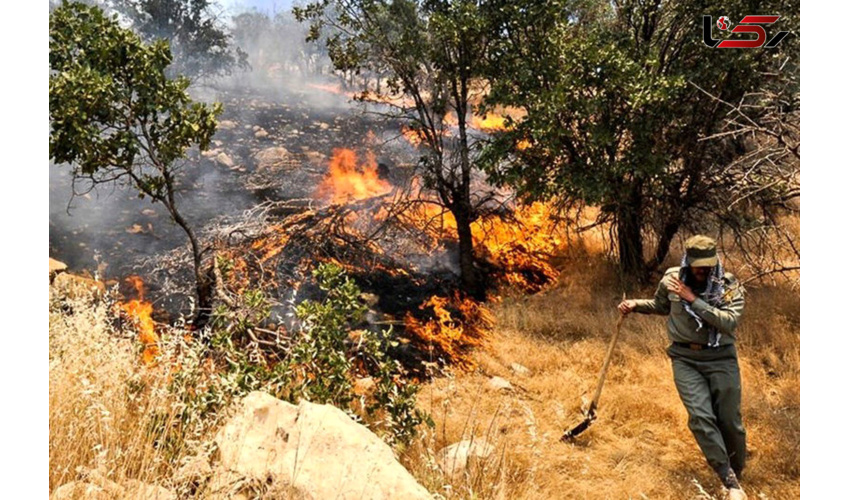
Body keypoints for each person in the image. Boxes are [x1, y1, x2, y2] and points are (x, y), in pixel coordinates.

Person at [618, 235, 748, 500]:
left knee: (729, 421)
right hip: (685, 358)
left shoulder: (728, 285)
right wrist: (635, 305)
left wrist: (693, 300)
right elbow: (661, 305)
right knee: (701, 417)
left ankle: (737, 469)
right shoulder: (671, 280)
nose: (703, 270)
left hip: (721, 357)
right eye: (698, 265)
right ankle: (728, 478)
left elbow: (729, 323)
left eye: (708, 265)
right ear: (688, 261)